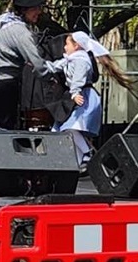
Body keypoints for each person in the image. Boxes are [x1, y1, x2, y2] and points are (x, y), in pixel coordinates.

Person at [0, 0, 48, 130]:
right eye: (35, 9)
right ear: (24, 10)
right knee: (5, 127)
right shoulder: (20, 31)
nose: (39, 12)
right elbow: (37, 62)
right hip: (4, 82)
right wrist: (50, 76)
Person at [43, 32, 102, 172]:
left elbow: (78, 78)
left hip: (83, 96)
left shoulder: (81, 60)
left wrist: (75, 92)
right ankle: (77, 161)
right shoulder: (71, 59)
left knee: (71, 128)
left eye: (67, 44)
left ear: (76, 46)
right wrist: (39, 65)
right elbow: (55, 66)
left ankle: (87, 153)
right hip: (75, 96)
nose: (64, 47)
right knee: (63, 129)